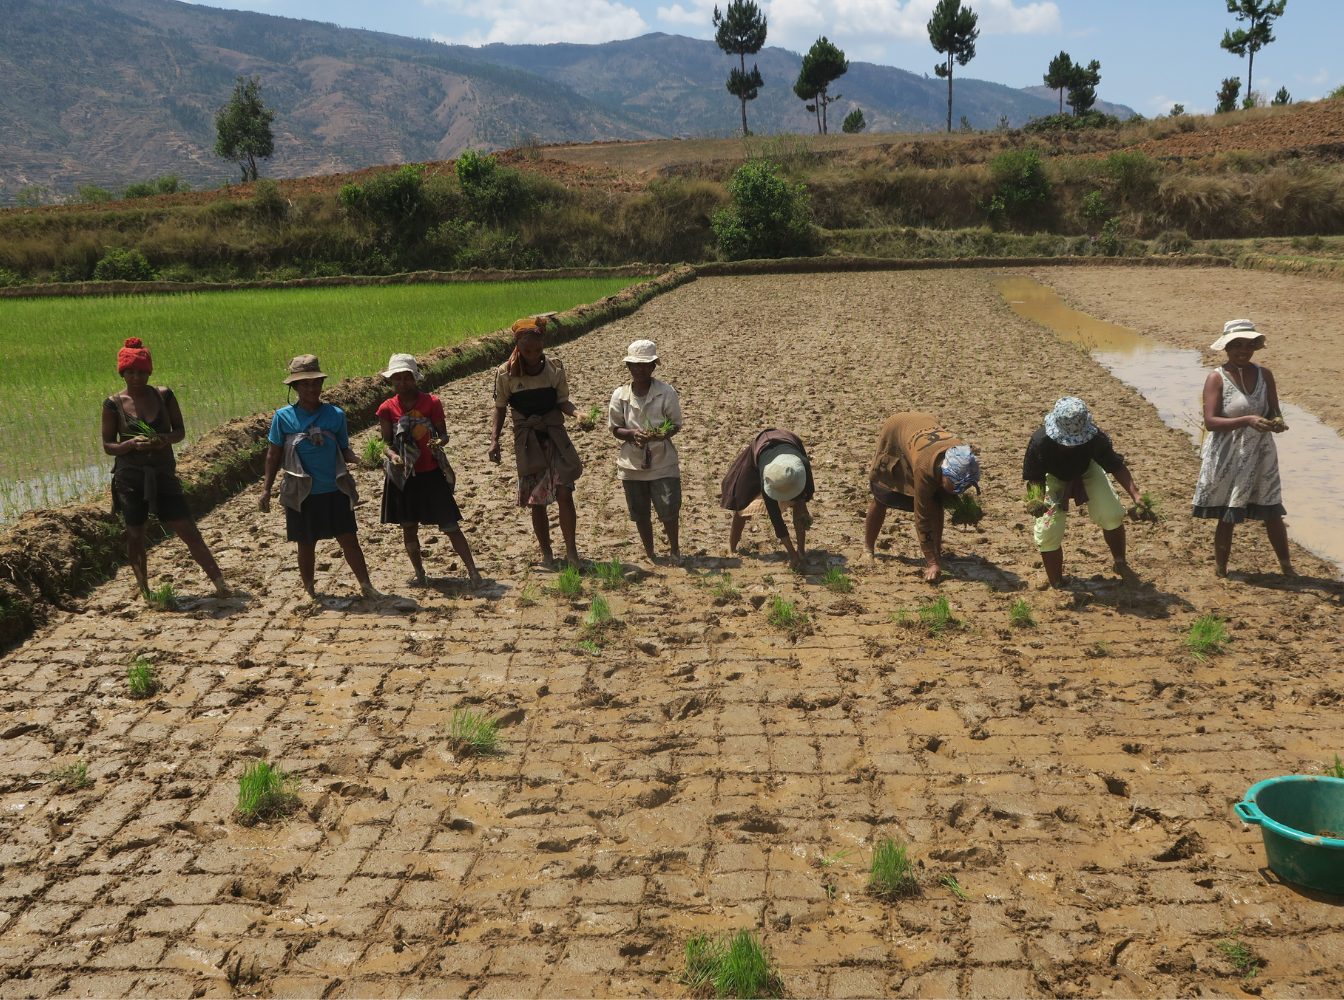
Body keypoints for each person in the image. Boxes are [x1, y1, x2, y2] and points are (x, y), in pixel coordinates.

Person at [101, 337, 231, 599]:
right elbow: (108, 445)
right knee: (136, 533)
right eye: (130, 372)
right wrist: (130, 445)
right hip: (130, 478)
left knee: (188, 530)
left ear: (149, 372)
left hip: (163, 474)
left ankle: (220, 584)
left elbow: (179, 431)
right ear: (122, 373)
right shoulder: (113, 404)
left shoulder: (164, 395)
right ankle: (145, 590)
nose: (136, 377)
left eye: (141, 372)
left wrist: (164, 439)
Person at [258, 354, 380, 600]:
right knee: (306, 542)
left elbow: (344, 449)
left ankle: (366, 585)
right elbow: (274, 453)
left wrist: (361, 460)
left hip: (334, 487)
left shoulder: (335, 414)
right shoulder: (283, 417)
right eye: (304, 384)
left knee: (348, 538)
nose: (311, 388)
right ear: (294, 387)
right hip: (301, 491)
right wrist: (266, 489)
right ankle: (309, 590)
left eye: (316, 382)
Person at [1192, 319, 1294, 577]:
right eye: (1237, 345)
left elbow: (1274, 410)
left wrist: (1277, 422)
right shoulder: (1216, 377)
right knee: (1228, 510)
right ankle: (1221, 570)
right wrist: (1247, 420)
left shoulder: (1264, 374)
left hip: (1261, 452)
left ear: (1255, 348)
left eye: (1248, 345)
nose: (1243, 350)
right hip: (1228, 453)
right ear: (1226, 348)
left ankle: (1287, 568)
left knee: (1271, 508)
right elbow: (1211, 422)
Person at [375, 353, 481, 587]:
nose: (402, 383)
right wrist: (393, 456)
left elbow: (443, 434)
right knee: (409, 527)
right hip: (404, 478)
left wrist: (438, 443)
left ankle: (474, 573)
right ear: (391, 381)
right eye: (397, 378)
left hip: (430, 472)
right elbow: (385, 443)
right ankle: (419, 573)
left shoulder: (431, 402)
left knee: (450, 525)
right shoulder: (386, 408)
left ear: (415, 378)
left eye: (406, 377)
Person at [487, 316, 584, 568]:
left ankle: (572, 552)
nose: (532, 355)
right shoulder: (505, 373)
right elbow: (499, 408)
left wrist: (577, 413)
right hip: (528, 439)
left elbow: (562, 401)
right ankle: (546, 553)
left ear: (544, 345)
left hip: (554, 435)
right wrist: (494, 440)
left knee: (564, 492)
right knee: (537, 499)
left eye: (537, 350)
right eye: (527, 350)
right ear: (516, 345)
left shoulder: (553, 368)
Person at [1023, 396, 1146, 589]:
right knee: (1048, 529)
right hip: (1052, 475)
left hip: (1088, 467)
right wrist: (1036, 500)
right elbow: (1035, 478)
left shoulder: (1096, 439)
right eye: (1066, 441)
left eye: (1076, 440)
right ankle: (1056, 582)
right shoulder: (1040, 443)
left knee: (1111, 512)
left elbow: (1115, 465)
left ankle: (1120, 562)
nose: (1071, 445)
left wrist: (1135, 494)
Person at [863, 412, 981, 584]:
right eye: (954, 487)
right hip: (897, 430)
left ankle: (937, 552)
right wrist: (931, 563)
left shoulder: (961, 456)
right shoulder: (925, 469)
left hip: (925, 426)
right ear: (944, 474)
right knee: (883, 495)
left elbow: (941, 501)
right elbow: (922, 516)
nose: (957, 492)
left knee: (938, 502)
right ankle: (868, 548)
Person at [608, 339, 684, 562]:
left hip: (663, 460)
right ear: (628, 367)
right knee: (640, 512)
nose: (640, 369)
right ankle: (650, 553)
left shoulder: (666, 392)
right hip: (632, 463)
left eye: (645, 365)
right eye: (635, 365)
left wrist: (661, 434)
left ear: (654, 366)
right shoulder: (620, 395)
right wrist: (632, 434)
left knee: (669, 509)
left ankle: (674, 550)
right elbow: (615, 428)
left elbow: (676, 423)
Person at [721, 429, 813, 571]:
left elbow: (805, 499)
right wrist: (792, 555)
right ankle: (732, 548)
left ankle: (802, 551)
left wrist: (800, 554)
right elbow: (778, 523)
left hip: (790, 441)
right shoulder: (767, 480)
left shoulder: (802, 465)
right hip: (761, 446)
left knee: (799, 505)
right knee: (741, 502)